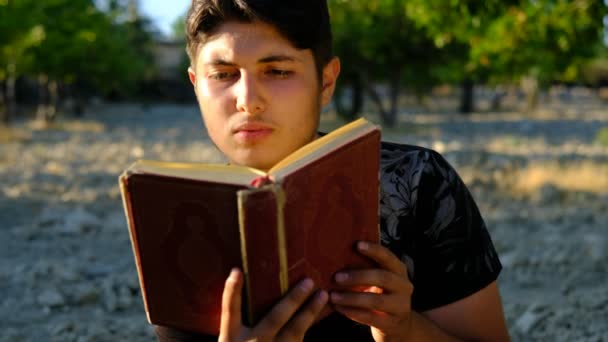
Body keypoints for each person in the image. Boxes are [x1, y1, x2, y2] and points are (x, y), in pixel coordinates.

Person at [155, 0, 510, 341]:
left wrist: (404, 331)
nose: (248, 99)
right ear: (196, 85)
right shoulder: (178, 212)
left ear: (326, 82)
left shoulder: (418, 184)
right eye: (223, 74)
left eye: (277, 71)